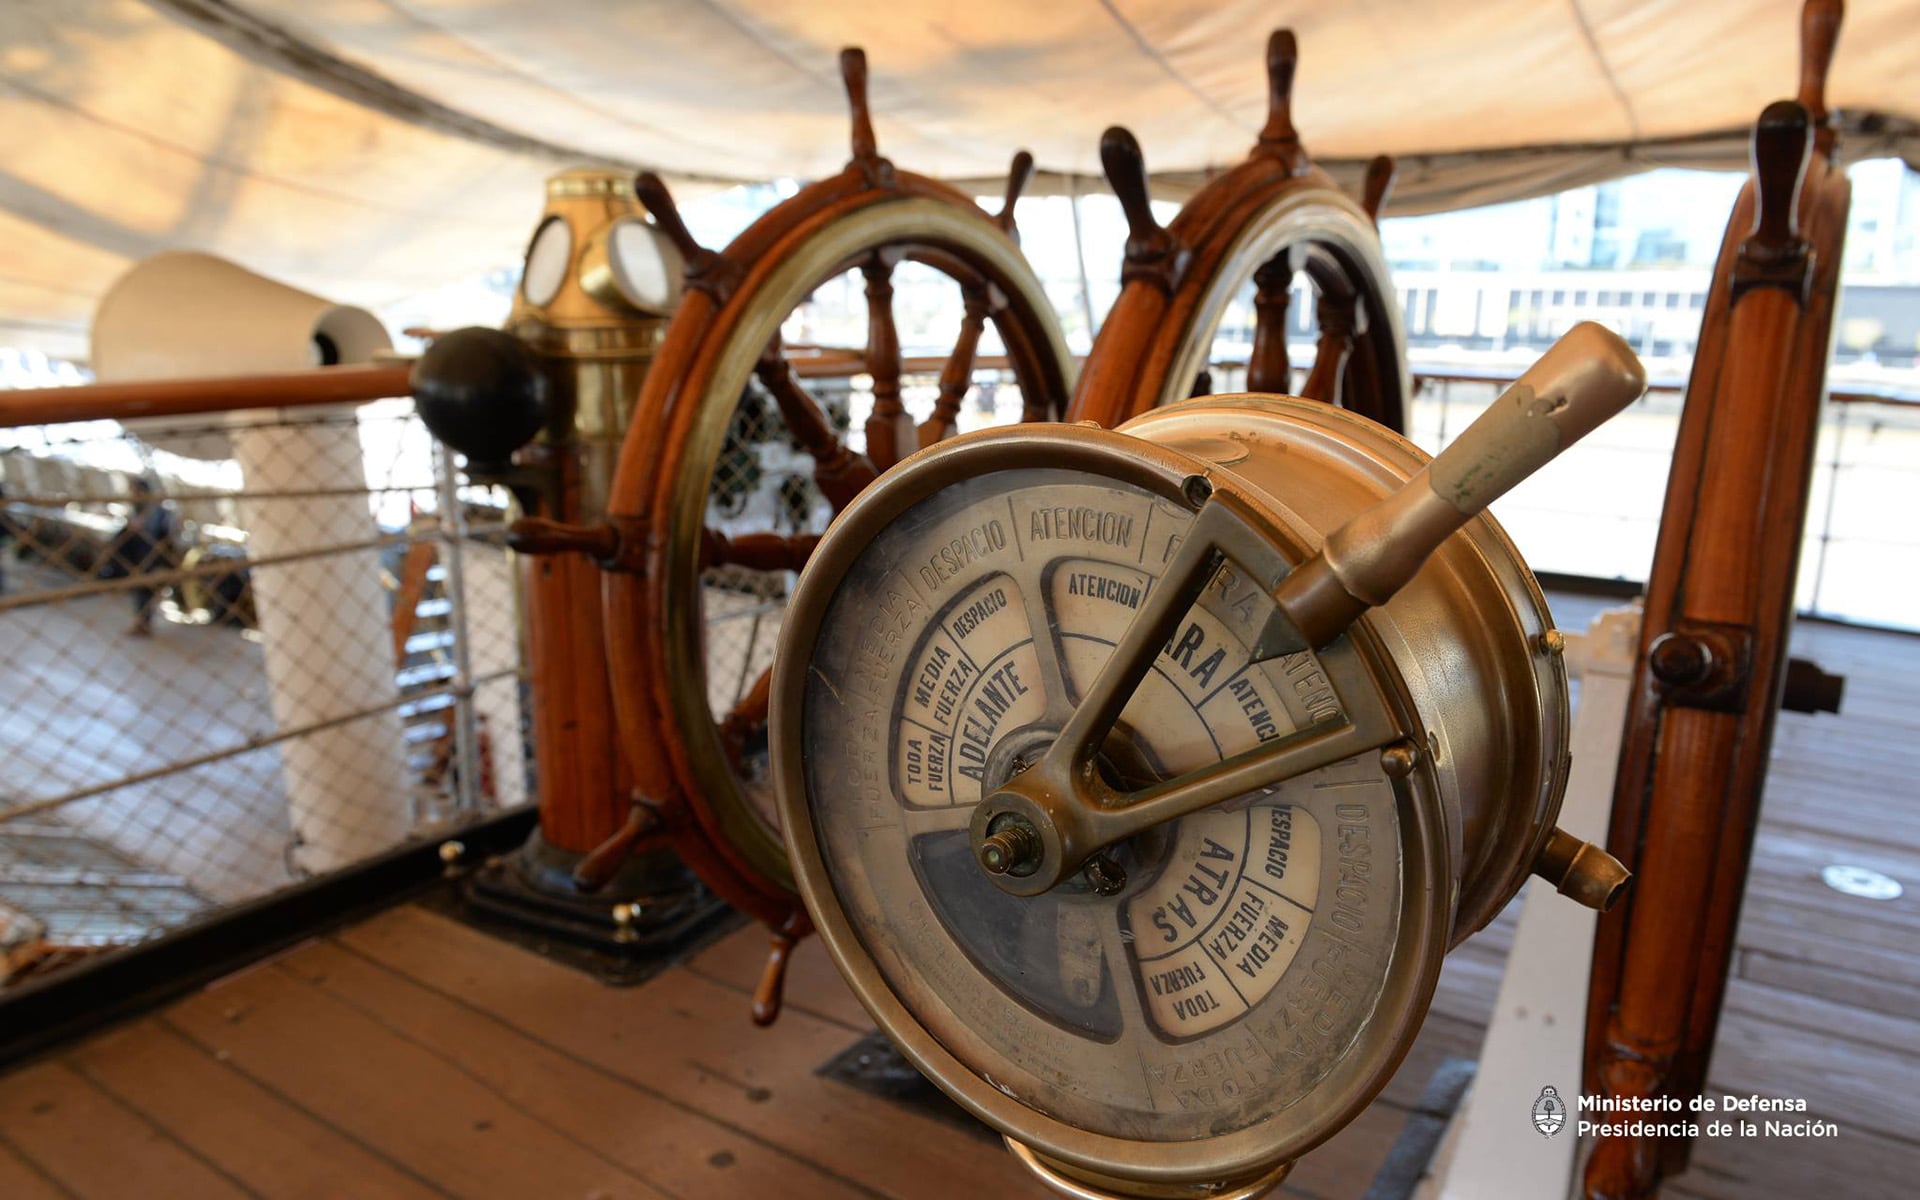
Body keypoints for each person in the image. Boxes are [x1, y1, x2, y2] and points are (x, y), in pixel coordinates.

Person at [106, 477, 174, 637]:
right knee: (140, 591)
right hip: (138, 557)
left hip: (151, 557)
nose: (132, 494)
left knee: (145, 590)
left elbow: (161, 534)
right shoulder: (137, 509)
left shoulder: (156, 511)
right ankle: (142, 622)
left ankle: (144, 623)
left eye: (134, 491)